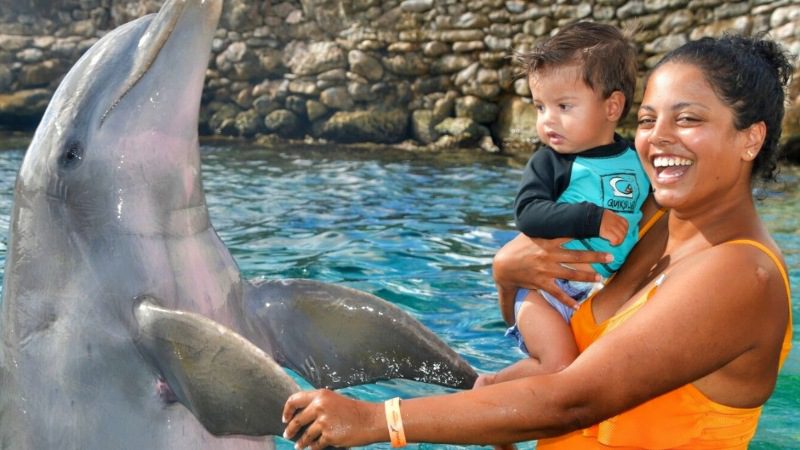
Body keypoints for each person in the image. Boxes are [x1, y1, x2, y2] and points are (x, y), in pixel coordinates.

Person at [281, 33, 794, 450]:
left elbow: (572, 401)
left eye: (688, 118)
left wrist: (377, 419)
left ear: (751, 137)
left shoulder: (740, 275)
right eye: (647, 118)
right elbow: (548, 336)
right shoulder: (647, 223)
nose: (658, 137)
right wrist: (507, 278)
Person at [486, 21, 650, 383]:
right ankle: (489, 387)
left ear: (613, 107)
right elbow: (528, 215)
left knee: (591, 374)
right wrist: (591, 219)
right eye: (540, 107)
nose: (547, 121)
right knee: (559, 368)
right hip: (544, 292)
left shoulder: (638, 159)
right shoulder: (550, 162)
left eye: (563, 106)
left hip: (595, 290)